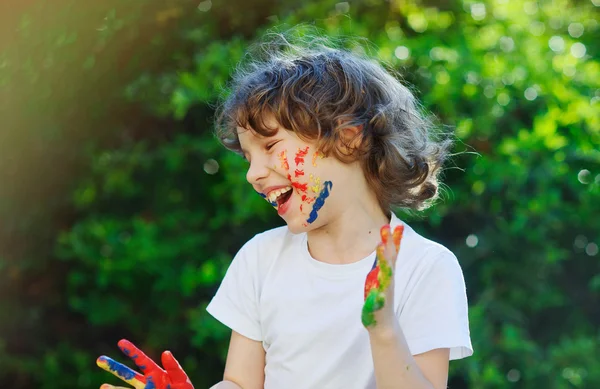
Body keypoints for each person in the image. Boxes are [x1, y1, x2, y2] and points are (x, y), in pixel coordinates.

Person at [96, 31, 473, 389]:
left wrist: (383, 328)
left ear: (348, 138)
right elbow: (241, 382)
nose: (253, 174)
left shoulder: (425, 267)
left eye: (271, 146)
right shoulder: (261, 259)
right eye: (247, 156)